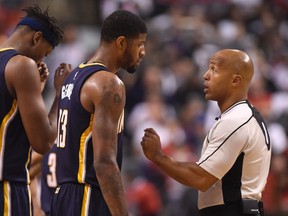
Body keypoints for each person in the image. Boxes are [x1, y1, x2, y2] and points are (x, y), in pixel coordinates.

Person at [141, 49, 271, 216]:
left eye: (214, 70)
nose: (206, 75)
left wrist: (158, 156)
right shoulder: (244, 116)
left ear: (235, 80)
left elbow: (201, 178)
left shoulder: (236, 120)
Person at [50, 10, 147, 216]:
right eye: (139, 44)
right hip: (87, 196)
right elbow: (104, 162)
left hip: (62, 196)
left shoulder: (73, 77)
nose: (143, 52)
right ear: (121, 43)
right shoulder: (108, 83)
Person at [0, 5, 69, 215]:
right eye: (45, 53)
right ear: (36, 38)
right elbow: (43, 142)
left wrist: (33, 91)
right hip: (7, 185)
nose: (41, 61)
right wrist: (60, 94)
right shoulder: (22, 65)